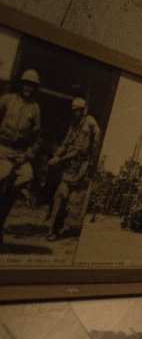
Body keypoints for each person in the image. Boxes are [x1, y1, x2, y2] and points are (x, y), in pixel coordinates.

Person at [47, 97, 101, 240]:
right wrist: (56, 156)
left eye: (79, 111)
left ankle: (58, 227)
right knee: (61, 195)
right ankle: (53, 230)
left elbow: (95, 137)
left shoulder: (89, 121)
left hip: (82, 166)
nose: (76, 113)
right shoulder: (73, 125)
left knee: (70, 199)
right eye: (74, 111)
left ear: (83, 110)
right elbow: (65, 144)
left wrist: (92, 157)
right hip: (70, 166)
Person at [0, 69, 42, 246]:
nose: (28, 88)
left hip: (20, 154)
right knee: (3, 174)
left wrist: (26, 156)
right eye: (26, 84)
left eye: (32, 85)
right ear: (20, 84)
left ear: (35, 88)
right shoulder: (7, 99)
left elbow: (38, 138)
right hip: (2, 148)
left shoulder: (35, 108)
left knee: (27, 176)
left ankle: (5, 204)